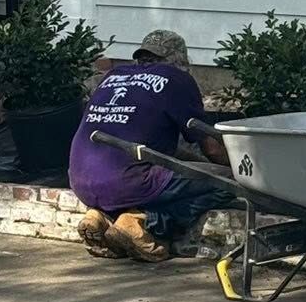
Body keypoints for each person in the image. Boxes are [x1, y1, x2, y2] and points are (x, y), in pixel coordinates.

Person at [67, 28, 234, 261]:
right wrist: (239, 170)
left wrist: (195, 163)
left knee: (136, 177)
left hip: (80, 180)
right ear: (180, 59)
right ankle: (144, 223)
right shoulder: (177, 79)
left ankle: (100, 217)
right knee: (224, 183)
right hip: (128, 181)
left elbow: (159, 150)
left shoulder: (112, 77)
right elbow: (212, 148)